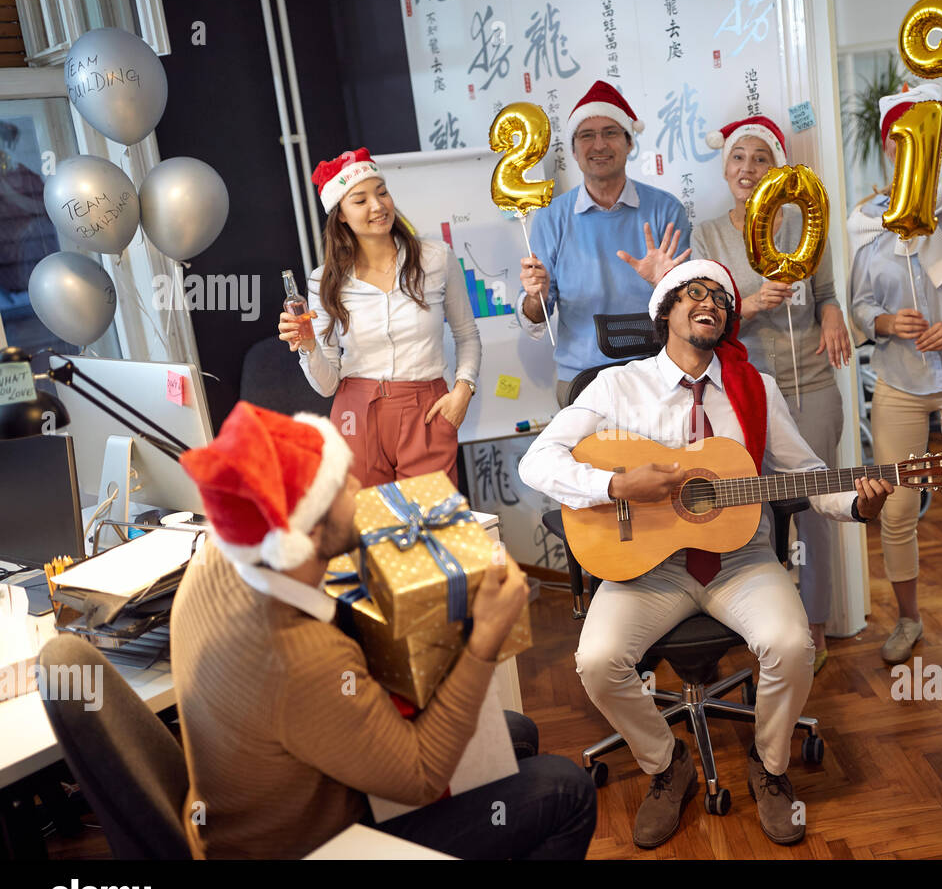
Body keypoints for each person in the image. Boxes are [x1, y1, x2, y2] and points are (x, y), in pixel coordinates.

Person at [518, 259, 893, 848]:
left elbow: (808, 475)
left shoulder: (756, 388)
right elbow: (535, 461)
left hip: (739, 558)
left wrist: (859, 504)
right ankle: (669, 767)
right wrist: (616, 487)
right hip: (647, 567)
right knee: (597, 659)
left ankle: (769, 767)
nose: (711, 303)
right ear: (666, 309)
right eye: (696, 292)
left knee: (793, 644)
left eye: (721, 297)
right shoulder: (617, 387)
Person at [171, 402, 597, 859]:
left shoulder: (221, 555)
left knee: (517, 733)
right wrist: (485, 638)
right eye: (338, 487)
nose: (356, 484)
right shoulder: (300, 657)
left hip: (279, 801)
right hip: (315, 844)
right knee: (566, 791)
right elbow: (421, 776)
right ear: (308, 536)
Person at [690, 115, 854, 673]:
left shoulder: (807, 224)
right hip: (742, 390)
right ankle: (762, 629)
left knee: (815, 506)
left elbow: (828, 291)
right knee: (748, 516)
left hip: (811, 385)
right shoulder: (708, 235)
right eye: (739, 158)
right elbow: (703, 317)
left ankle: (815, 627)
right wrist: (752, 304)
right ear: (725, 166)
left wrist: (833, 315)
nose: (748, 168)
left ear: (778, 169)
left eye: (761, 158)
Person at [849, 85, 942, 668]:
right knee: (896, 507)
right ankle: (908, 620)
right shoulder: (868, 221)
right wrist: (887, 321)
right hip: (898, 384)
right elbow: (860, 304)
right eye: (899, 139)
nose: (908, 147)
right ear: (890, 147)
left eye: (922, 138)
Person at [282, 147, 481, 489]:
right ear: (340, 214)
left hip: (427, 410)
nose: (378, 206)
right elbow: (328, 385)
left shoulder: (435, 258)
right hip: (354, 413)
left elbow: (467, 335)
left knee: (429, 529)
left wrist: (463, 389)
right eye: (360, 200)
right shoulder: (323, 280)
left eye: (382, 193)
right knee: (369, 531)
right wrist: (309, 346)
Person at [517, 80, 691, 405]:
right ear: (573, 151)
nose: (599, 145)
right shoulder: (552, 218)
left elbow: (693, 306)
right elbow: (535, 314)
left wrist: (666, 284)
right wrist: (535, 296)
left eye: (610, 133)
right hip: (583, 382)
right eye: (587, 135)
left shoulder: (666, 210)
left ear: (629, 143)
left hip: (659, 376)